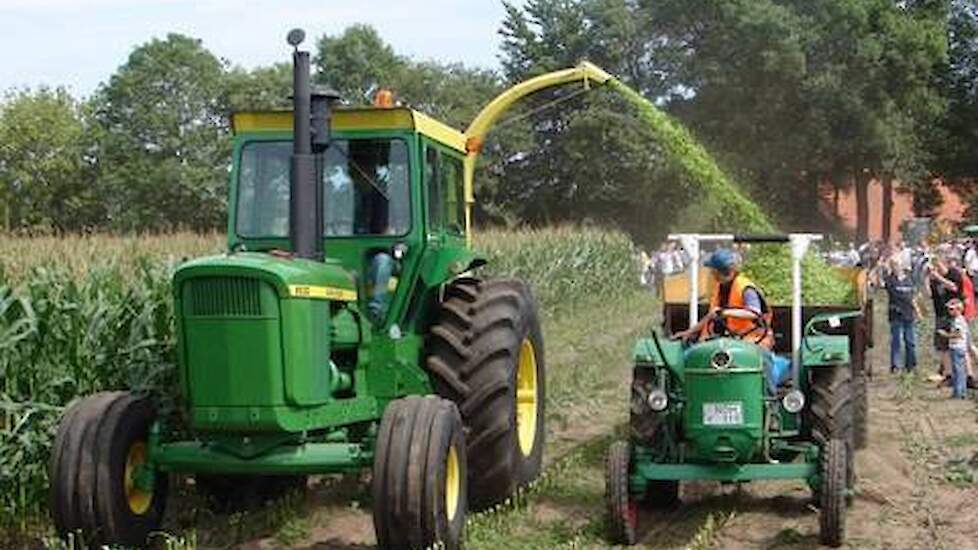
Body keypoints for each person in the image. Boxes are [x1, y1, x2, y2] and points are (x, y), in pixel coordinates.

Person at [673, 249, 787, 392]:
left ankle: (769, 400)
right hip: (727, 339)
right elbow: (711, 316)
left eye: (713, 271)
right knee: (689, 356)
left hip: (754, 340)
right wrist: (688, 333)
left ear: (720, 271)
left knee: (762, 361)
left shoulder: (745, 288)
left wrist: (726, 312)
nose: (711, 274)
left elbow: (754, 312)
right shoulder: (720, 288)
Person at [882, 258, 921, 373]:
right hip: (896, 314)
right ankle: (896, 366)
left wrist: (918, 312)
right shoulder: (890, 280)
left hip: (909, 314)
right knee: (897, 341)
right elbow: (877, 282)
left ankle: (911, 365)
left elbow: (913, 298)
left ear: (902, 266)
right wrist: (879, 266)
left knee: (910, 341)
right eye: (893, 265)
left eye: (897, 265)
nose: (895, 267)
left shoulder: (910, 280)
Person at [938, 299, 970, 398]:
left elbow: (958, 334)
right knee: (958, 370)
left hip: (957, 348)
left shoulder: (959, 321)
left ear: (959, 309)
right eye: (949, 309)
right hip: (958, 347)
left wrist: (945, 335)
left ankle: (958, 393)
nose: (949, 311)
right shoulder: (958, 320)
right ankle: (961, 392)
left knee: (958, 371)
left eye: (952, 309)